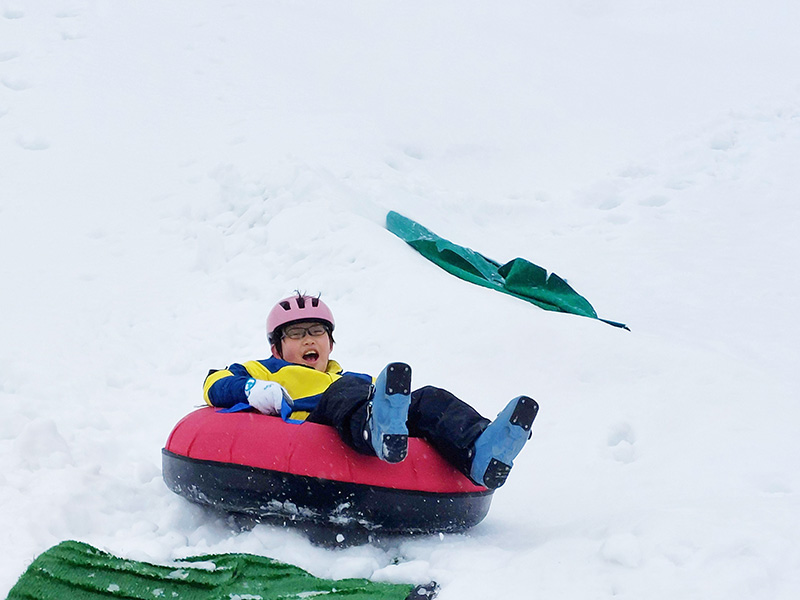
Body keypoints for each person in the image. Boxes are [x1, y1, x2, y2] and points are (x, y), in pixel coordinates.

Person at [203, 293, 539, 489]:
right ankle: (374, 428)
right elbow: (213, 383)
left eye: (317, 331)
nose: (308, 339)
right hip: (312, 425)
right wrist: (251, 389)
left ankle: (481, 450)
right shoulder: (267, 369)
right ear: (277, 347)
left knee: (427, 398)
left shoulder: (350, 377)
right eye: (295, 333)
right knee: (349, 390)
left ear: (330, 342)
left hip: (360, 407)